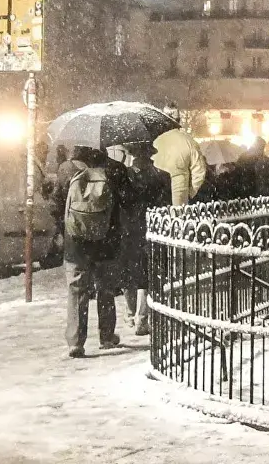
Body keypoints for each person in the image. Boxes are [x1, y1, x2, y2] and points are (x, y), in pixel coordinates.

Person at [58, 145, 133, 358]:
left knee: (76, 291)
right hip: (106, 242)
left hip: (76, 244)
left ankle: (75, 341)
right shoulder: (115, 173)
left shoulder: (69, 174)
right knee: (105, 289)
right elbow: (129, 202)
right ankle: (106, 336)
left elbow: (56, 202)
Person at [115, 143, 171, 332]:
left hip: (128, 230)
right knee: (146, 275)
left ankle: (130, 314)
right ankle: (142, 317)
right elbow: (166, 208)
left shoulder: (123, 177)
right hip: (150, 229)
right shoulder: (162, 176)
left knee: (128, 274)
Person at [151, 126, 209, 208]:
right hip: (180, 188)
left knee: (159, 216)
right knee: (178, 214)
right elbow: (199, 171)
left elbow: (151, 161)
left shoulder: (158, 141)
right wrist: (191, 192)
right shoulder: (189, 141)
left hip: (158, 188)